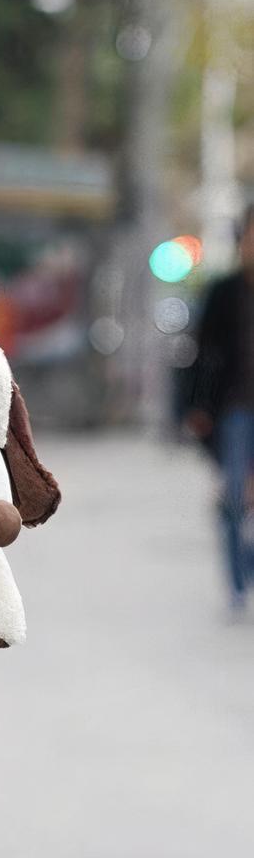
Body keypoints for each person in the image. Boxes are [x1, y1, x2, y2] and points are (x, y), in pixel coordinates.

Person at [187, 205, 254, 618]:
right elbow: (202, 354)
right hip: (234, 411)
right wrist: (196, 406)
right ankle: (236, 582)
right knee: (232, 497)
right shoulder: (224, 292)